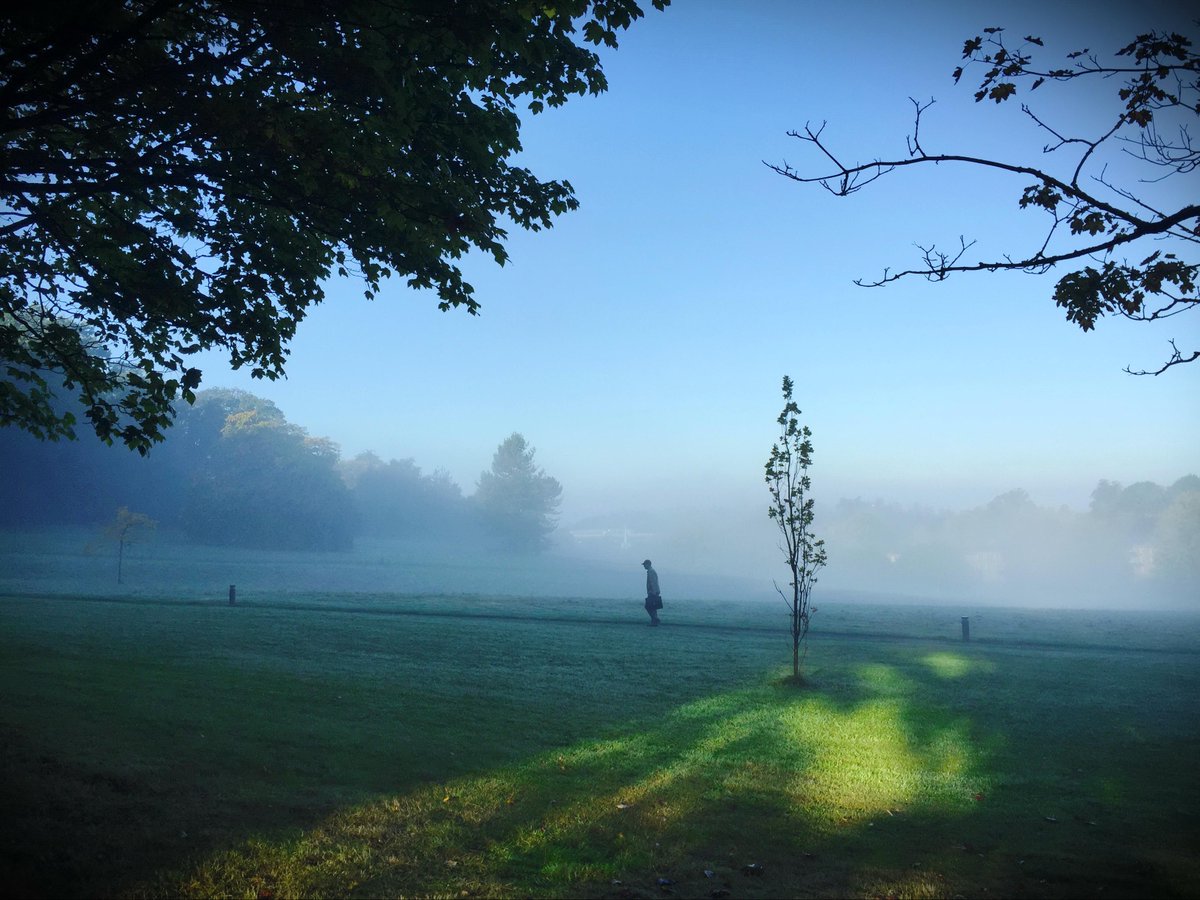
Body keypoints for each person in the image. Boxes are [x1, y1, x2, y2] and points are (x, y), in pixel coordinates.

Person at [642, 559, 662, 625]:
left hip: (652, 592)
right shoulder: (651, 571)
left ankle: (655, 619)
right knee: (653, 607)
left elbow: (653, 582)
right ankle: (654, 620)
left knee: (649, 606)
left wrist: (653, 591)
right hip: (653, 591)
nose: (644, 566)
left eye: (644, 564)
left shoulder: (651, 572)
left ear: (648, 564)